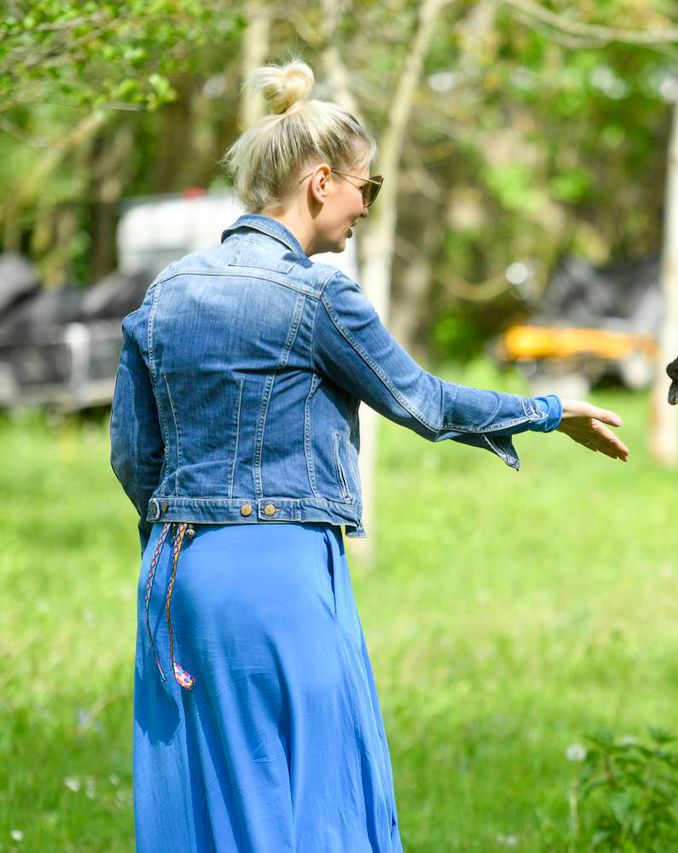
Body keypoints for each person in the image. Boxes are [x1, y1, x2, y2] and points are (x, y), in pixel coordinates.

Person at [109, 59, 629, 851]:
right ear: (320, 182)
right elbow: (424, 400)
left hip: (176, 582)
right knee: (310, 804)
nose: (365, 206)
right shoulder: (318, 296)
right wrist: (548, 410)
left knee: (211, 809)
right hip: (277, 574)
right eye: (367, 186)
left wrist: (188, 525)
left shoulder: (164, 293)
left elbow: (132, 456)